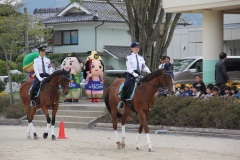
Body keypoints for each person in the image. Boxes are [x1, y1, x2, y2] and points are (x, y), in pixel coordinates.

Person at [117, 42, 151, 109]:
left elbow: (143, 66)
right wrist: (133, 74)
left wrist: (149, 71)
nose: (137, 49)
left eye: (138, 47)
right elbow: (129, 67)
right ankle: (122, 101)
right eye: (135, 47)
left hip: (139, 74)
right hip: (130, 74)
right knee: (126, 85)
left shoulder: (141, 57)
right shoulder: (129, 57)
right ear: (132, 48)